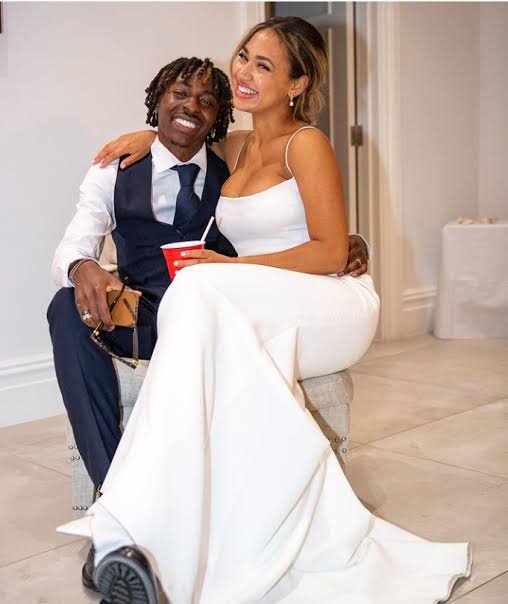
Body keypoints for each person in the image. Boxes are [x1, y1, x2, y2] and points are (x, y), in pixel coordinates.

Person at [58, 17, 470, 604]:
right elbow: (180, 135)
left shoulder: (307, 144)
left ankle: (128, 522)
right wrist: (143, 134)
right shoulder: (234, 147)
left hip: (329, 300)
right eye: (245, 55)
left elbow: (331, 251)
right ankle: (167, 531)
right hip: (261, 298)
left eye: (265, 65)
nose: (245, 72)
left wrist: (228, 269)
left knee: (197, 287)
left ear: (297, 84)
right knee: (199, 301)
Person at [48, 56, 369, 592]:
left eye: (206, 101)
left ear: (219, 117)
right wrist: (84, 267)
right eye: (178, 93)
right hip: (143, 313)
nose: (190, 107)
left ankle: (130, 531)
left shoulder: (235, 166)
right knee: (65, 306)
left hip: (217, 321)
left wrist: (348, 242)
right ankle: (115, 506)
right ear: (157, 100)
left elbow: (285, 220)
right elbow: (74, 242)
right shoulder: (114, 169)